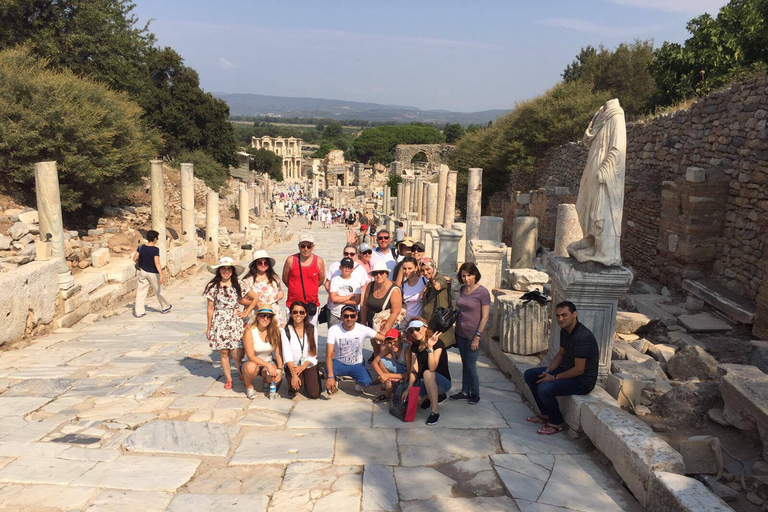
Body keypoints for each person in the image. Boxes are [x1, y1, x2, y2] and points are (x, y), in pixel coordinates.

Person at [524, 301, 599, 435]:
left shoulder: (583, 337)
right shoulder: (565, 331)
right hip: (566, 371)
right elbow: (560, 354)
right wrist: (547, 372)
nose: (560, 319)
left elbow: (579, 370)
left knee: (544, 388)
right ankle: (546, 414)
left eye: (564, 315)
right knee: (531, 375)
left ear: (574, 314)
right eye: (558, 316)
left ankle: (556, 422)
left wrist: (554, 378)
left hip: (582, 381)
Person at [450, 262, 490, 405]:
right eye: (463, 276)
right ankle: (465, 390)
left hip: (474, 333)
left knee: (471, 365)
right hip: (460, 331)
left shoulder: (483, 292)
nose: (467, 279)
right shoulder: (462, 289)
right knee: (465, 363)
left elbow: (485, 316)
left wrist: (477, 337)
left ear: (475, 275)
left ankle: (475, 393)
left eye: (469, 275)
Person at [205, 257, 246, 389]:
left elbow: (254, 297)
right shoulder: (213, 287)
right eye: (223, 268)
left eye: (229, 269)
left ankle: (240, 372)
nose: (226, 271)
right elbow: (210, 307)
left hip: (234, 320)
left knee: (236, 351)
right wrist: (209, 327)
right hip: (220, 320)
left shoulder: (238, 285)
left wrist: (245, 312)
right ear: (219, 270)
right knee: (224, 352)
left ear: (233, 271)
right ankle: (229, 379)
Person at [325, 305, 386, 394]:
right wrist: (330, 376)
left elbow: (382, 337)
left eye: (352, 316)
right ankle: (334, 379)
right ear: (341, 317)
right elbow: (328, 354)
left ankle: (357, 380)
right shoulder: (333, 329)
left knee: (367, 382)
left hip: (356, 364)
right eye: (346, 316)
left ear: (356, 317)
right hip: (339, 362)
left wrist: (398, 339)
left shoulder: (362, 329)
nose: (349, 319)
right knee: (327, 372)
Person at [402, 318, 451, 426]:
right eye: (411, 331)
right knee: (411, 402)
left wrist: (429, 347)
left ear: (425, 328)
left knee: (428, 373)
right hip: (425, 381)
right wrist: (409, 387)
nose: (414, 332)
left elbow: (432, 367)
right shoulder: (415, 346)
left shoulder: (437, 343)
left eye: (417, 329)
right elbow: (414, 370)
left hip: (442, 382)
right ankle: (428, 396)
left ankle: (435, 412)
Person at [282, 234, 325, 334]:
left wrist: (310, 287)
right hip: (293, 303)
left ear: (312, 247)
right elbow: (285, 279)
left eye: (308, 246)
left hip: (311, 303)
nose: (306, 249)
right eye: (303, 246)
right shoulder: (291, 260)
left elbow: (321, 280)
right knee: (292, 332)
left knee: (311, 333)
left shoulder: (319, 261)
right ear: (299, 246)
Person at [360, 262, 403, 360]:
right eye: (376, 273)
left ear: (386, 274)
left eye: (381, 272)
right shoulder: (370, 286)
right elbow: (365, 305)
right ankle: (378, 373)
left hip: (386, 325)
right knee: (375, 349)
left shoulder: (394, 289)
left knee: (385, 351)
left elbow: (395, 311)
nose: (378, 275)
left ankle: (388, 374)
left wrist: (385, 330)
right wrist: (363, 321)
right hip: (372, 324)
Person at [241, 304, 284, 399]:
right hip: (251, 362)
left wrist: (280, 370)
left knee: (275, 373)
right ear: (257, 317)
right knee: (251, 368)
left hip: (267, 362)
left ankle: (267, 381)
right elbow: (251, 356)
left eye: (268, 316)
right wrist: (268, 365)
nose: (265, 319)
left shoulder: (274, 331)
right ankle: (249, 386)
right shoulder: (250, 331)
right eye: (262, 315)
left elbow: (278, 354)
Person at [282, 301, 321, 399]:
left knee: (314, 394)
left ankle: (310, 378)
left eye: (301, 312)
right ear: (290, 314)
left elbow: (313, 353)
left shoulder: (312, 329)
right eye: (295, 312)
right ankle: (292, 384)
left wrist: (302, 367)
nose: (298, 315)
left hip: (307, 364)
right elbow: (287, 355)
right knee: (296, 387)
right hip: (294, 366)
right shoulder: (286, 331)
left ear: (305, 314)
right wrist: (294, 374)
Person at [241, 250, 286, 328]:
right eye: (259, 263)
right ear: (255, 264)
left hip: (273, 312)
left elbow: (280, 290)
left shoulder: (274, 278)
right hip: (255, 313)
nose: (263, 265)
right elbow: (241, 300)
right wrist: (254, 303)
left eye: (265, 263)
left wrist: (281, 294)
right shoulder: (247, 281)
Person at [133, 230, 172, 317]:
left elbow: (135, 258)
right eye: (157, 238)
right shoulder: (155, 249)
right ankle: (165, 307)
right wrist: (161, 274)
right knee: (159, 290)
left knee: (141, 292)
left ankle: (138, 312)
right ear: (154, 239)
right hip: (153, 273)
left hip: (143, 272)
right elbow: (157, 263)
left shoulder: (141, 247)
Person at [420, 259, 455, 348]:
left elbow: (439, 285)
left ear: (434, 268)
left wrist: (435, 280)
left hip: (439, 326)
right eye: (422, 270)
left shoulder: (439, 279)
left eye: (428, 269)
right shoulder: (428, 283)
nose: (425, 272)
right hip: (432, 325)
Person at [371, 328, 410, 403]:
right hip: (400, 370)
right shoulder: (390, 348)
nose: (392, 345)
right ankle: (388, 386)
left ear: (400, 339)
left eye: (395, 341)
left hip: (407, 374)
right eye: (389, 342)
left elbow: (408, 374)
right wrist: (382, 375)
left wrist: (388, 375)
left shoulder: (407, 349)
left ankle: (389, 392)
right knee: (381, 361)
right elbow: (374, 362)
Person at [327, 258, 362, 328]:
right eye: (344, 266)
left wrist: (339, 299)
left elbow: (357, 301)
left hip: (350, 316)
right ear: (340, 267)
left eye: (349, 267)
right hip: (336, 315)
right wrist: (350, 296)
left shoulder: (356, 282)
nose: (347, 269)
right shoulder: (335, 280)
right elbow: (333, 299)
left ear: (353, 269)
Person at [400, 257, 426, 324]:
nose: (407, 271)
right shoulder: (403, 286)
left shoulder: (424, 281)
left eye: (410, 268)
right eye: (404, 269)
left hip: (421, 323)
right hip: (408, 323)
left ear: (416, 268)